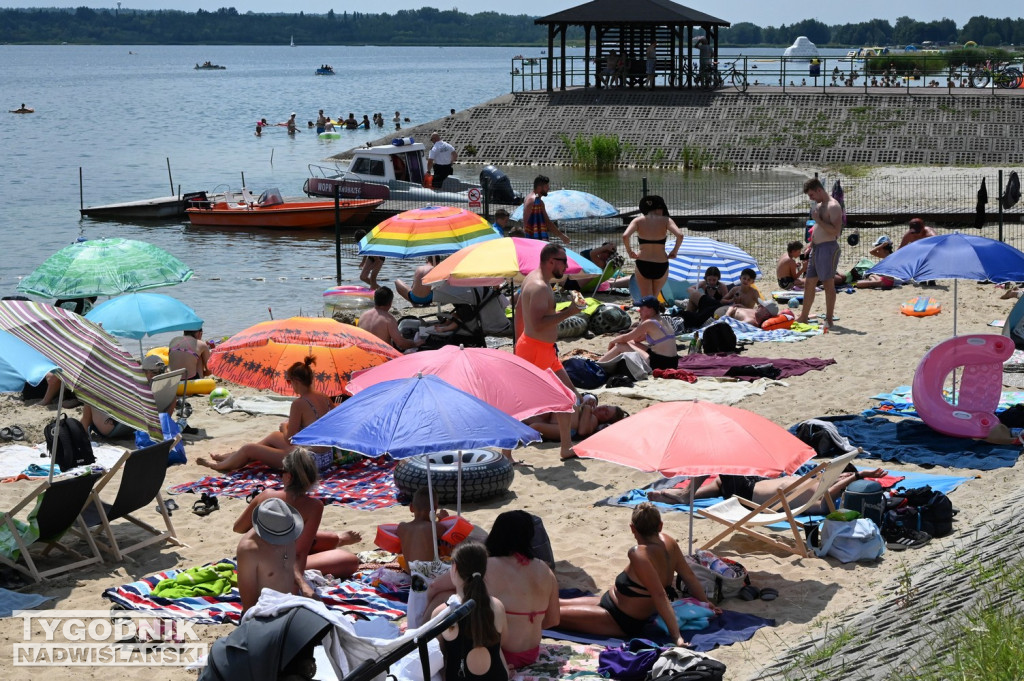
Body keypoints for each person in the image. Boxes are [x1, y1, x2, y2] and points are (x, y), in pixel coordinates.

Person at [558, 503, 717, 644]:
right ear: (660, 526)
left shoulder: (639, 554)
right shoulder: (669, 542)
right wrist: (706, 603)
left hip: (619, 620)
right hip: (608, 603)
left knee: (547, 615)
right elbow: (689, 576)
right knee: (556, 603)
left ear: (632, 528)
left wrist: (676, 636)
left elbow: (659, 595)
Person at [427, 511, 559, 671]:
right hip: (531, 654)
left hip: (498, 653)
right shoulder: (545, 569)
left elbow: (434, 586)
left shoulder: (486, 564)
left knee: (444, 597)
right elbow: (553, 620)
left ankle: (424, 642)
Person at [235, 448, 361, 595]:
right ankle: (338, 540)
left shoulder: (266, 495)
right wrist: (297, 585)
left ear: (287, 476)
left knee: (328, 538)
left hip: (256, 557)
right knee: (350, 560)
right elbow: (299, 554)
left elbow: (238, 528)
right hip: (278, 563)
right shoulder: (313, 506)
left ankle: (338, 539)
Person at [197, 357, 333, 471]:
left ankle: (218, 466)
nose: (290, 385)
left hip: (307, 462)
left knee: (249, 448)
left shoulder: (299, 403)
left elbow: (289, 439)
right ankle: (231, 456)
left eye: (289, 382)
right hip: (327, 456)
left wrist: (284, 428)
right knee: (273, 437)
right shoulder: (325, 397)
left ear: (296, 382)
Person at [515, 243, 585, 459]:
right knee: (560, 397)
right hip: (536, 349)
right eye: (563, 262)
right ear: (551, 261)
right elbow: (537, 324)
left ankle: (566, 446)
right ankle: (564, 447)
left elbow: (519, 310)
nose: (567, 266)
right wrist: (570, 311)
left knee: (571, 396)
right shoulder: (538, 286)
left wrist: (519, 341)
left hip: (542, 348)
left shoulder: (536, 280)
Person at [647, 467, 885, 513]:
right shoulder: (819, 483)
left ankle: (686, 494)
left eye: (843, 475)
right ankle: (686, 497)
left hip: (747, 496)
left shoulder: (824, 500)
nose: (840, 476)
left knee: (719, 461)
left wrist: (858, 475)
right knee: (721, 483)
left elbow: (830, 493)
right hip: (749, 487)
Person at [432, 541, 510, 681]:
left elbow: (434, 657)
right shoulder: (497, 606)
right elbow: (502, 642)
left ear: (454, 568)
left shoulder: (443, 612)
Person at [236, 497, 304, 613]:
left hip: (291, 603)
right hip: (265, 612)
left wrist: (303, 585)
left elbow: (291, 564)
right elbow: (249, 605)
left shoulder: (285, 528)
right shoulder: (249, 549)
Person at [80, 355, 173, 439]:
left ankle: (82, 433)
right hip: (138, 428)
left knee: (90, 396)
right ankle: (165, 428)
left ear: (144, 371)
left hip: (117, 428)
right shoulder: (164, 388)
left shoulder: (138, 385)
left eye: (155, 372)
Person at [795, 177, 843, 329]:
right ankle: (804, 316)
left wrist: (818, 219)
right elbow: (819, 228)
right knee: (809, 282)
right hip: (816, 248)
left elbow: (836, 232)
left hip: (828, 248)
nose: (811, 198)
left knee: (828, 284)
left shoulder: (833, 206)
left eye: (811, 195)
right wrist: (811, 243)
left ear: (819, 190)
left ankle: (829, 319)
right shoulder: (820, 205)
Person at [622, 195, 683, 302]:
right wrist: (674, 251)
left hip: (643, 262)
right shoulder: (666, 220)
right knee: (653, 299)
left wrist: (630, 251)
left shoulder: (638, 220)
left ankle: (647, 317)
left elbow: (625, 236)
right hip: (661, 263)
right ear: (658, 208)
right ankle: (654, 317)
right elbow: (680, 235)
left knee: (646, 300)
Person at [599, 295, 678, 371]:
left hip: (661, 364)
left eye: (642, 307)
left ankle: (598, 365)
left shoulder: (649, 322)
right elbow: (636, 340)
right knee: (630, 342)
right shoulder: (661, 319)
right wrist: (642, 321)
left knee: (621, 345)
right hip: (672, 361)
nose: (639, 310)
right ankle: (608, 359)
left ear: (650, 309)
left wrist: (612, 341)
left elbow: (624, 338)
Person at [357, 286, 425, 352]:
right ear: (390, 303)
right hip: (382, 355)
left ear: (375, 300)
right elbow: (401, 343)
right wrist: (415, 343)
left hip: (364, 353)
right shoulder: (388, 319)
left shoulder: (363, 316)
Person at [523, 401, 628, 442]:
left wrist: (586, 408)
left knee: (535, 426)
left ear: (605, 420)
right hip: (556, 418)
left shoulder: (594, 419)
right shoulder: (591, 412)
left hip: (565, 428)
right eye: (607, 406)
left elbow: (582, 431)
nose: (603, 409)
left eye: (606, 413)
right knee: (526, 418)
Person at [522, 176, 569, 244]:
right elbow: (547, 222)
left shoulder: (530, 197)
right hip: (534, 239)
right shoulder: (535, 201)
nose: (548, 188)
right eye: (546, 186)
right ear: (539, 188)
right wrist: (561, 236)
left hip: (530, 237)